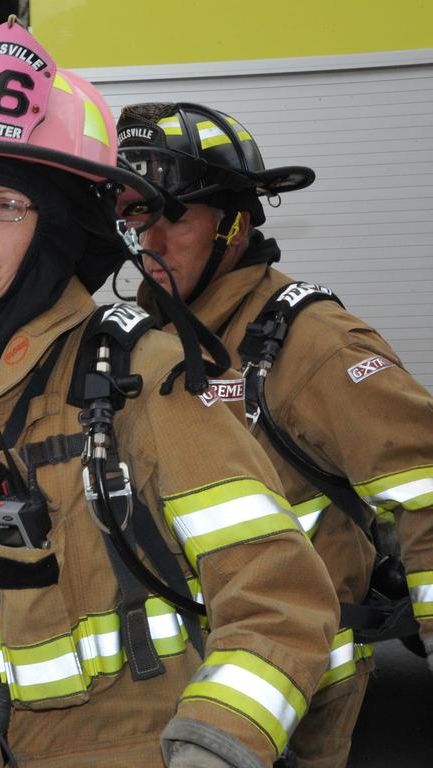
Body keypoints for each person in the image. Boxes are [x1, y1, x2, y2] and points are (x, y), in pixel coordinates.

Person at [0, 23, 340, 768]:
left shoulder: (142, 383)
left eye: (7, 205)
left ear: (56, 232)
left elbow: (280, 600)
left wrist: (219, 742)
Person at [116, 100, 433, 767]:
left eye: (175, 215)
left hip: (294, 703)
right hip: (177, 698)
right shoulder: (147, 344)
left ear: (235, 221)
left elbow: (426, 491)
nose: (151, 239)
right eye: (138, 215)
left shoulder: (311, 347)